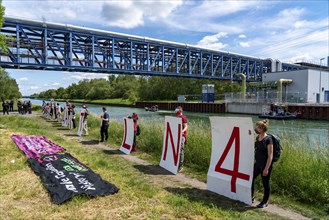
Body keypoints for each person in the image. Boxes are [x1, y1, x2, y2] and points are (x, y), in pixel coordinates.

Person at [252, 119, 274, 208]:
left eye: (257, 128)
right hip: (257, 164)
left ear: (262, 129)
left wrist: (266, 168)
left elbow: (270, 156)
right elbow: (253, 146)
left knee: (265, 183)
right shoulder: (258, 137)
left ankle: (265, 202)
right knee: (250, 178)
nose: (255, 129)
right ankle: (251, 196)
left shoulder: (268, 139)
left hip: (265, 165)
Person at [175, 106, 188, 172]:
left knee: (180, 151)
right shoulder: (177, 118)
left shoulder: (183, 118)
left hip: (182, 136)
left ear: (180, 111)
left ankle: (180, 166)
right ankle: (176, 164)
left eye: (176, 111)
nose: (175, 112)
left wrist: (182, 131)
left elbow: (186, 127)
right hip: (176, 136)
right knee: (177, 150)